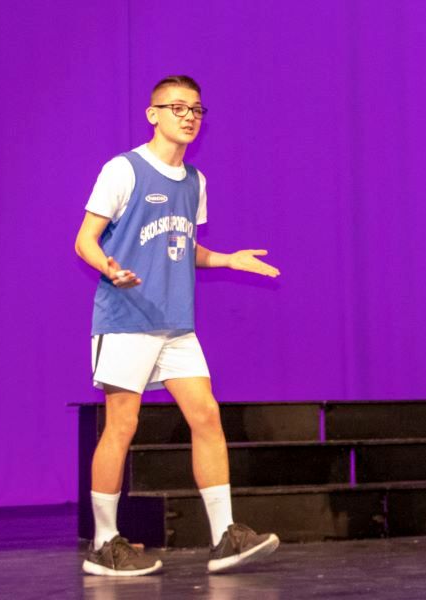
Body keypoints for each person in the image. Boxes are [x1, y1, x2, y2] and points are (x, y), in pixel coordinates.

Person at [75, 75, 281, 575]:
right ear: (153, 114)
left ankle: (225, 536)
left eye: (196, 110)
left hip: (176, 325)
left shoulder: (195, 181)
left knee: (206, 415)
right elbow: (84, 241)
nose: (189, 117)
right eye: (178, 108)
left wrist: (227, 259)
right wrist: (109, 268)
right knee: (122, 424)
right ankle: (104, 543)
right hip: (126, 319)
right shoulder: (123, 170)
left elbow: (182, 245)